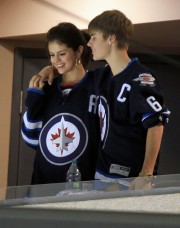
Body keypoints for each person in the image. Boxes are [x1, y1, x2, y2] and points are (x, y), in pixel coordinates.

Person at [35, 10, 170, 189]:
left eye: (94, 37)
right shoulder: (104, 76)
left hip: (129, 180)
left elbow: (156, 124)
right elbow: (74, 75)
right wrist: (49, 69)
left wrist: (146, 174)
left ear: (111, 39)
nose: (89, 42)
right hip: (102, 176)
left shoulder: (140, 77)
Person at [21, 22, 100, 184]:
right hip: (44, 186)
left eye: (62, 54)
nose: (56, 60)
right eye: (52, 55)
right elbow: (31, 138)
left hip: (86, 187)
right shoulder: (46, 89)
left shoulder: (98, 85)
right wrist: (35, 98)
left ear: (79, 50)